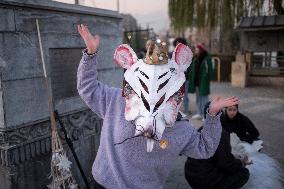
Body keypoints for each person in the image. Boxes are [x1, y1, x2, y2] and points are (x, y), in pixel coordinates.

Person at [77, 24, 239, 189]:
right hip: (105, 183)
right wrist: (90, 54)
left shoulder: (179, 126)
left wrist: (212, 114)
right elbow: (87, 88)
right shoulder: (116, 101)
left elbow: (205, 148)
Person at [184, 101, 251, 189]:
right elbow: (226, 165)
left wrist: (232, 157)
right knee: (244, 173)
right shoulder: (220, 133)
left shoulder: (200, 130)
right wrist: (241, 163)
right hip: (205, 181)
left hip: (190, 175)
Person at [188, 43, 213, 120]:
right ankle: (199, 113)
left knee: (204, 99)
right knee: (198, 99)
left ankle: (205, 115)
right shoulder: (195, 58)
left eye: (197, 49)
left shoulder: (207, 58)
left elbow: (210, 71)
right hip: (197, 83)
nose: (195, 50)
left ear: (200, 50)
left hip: (203, 82)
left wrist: (208, 80)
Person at [173, 37, 191, 115]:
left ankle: (186, 110)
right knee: (177, 95)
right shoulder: (173, 53)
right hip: (176, 79)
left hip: (185, 78)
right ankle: (177, 110)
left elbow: (189, 67)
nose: (178, 45)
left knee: (185, 94)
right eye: (177, 44)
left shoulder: (187, 54)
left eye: (179, 43)